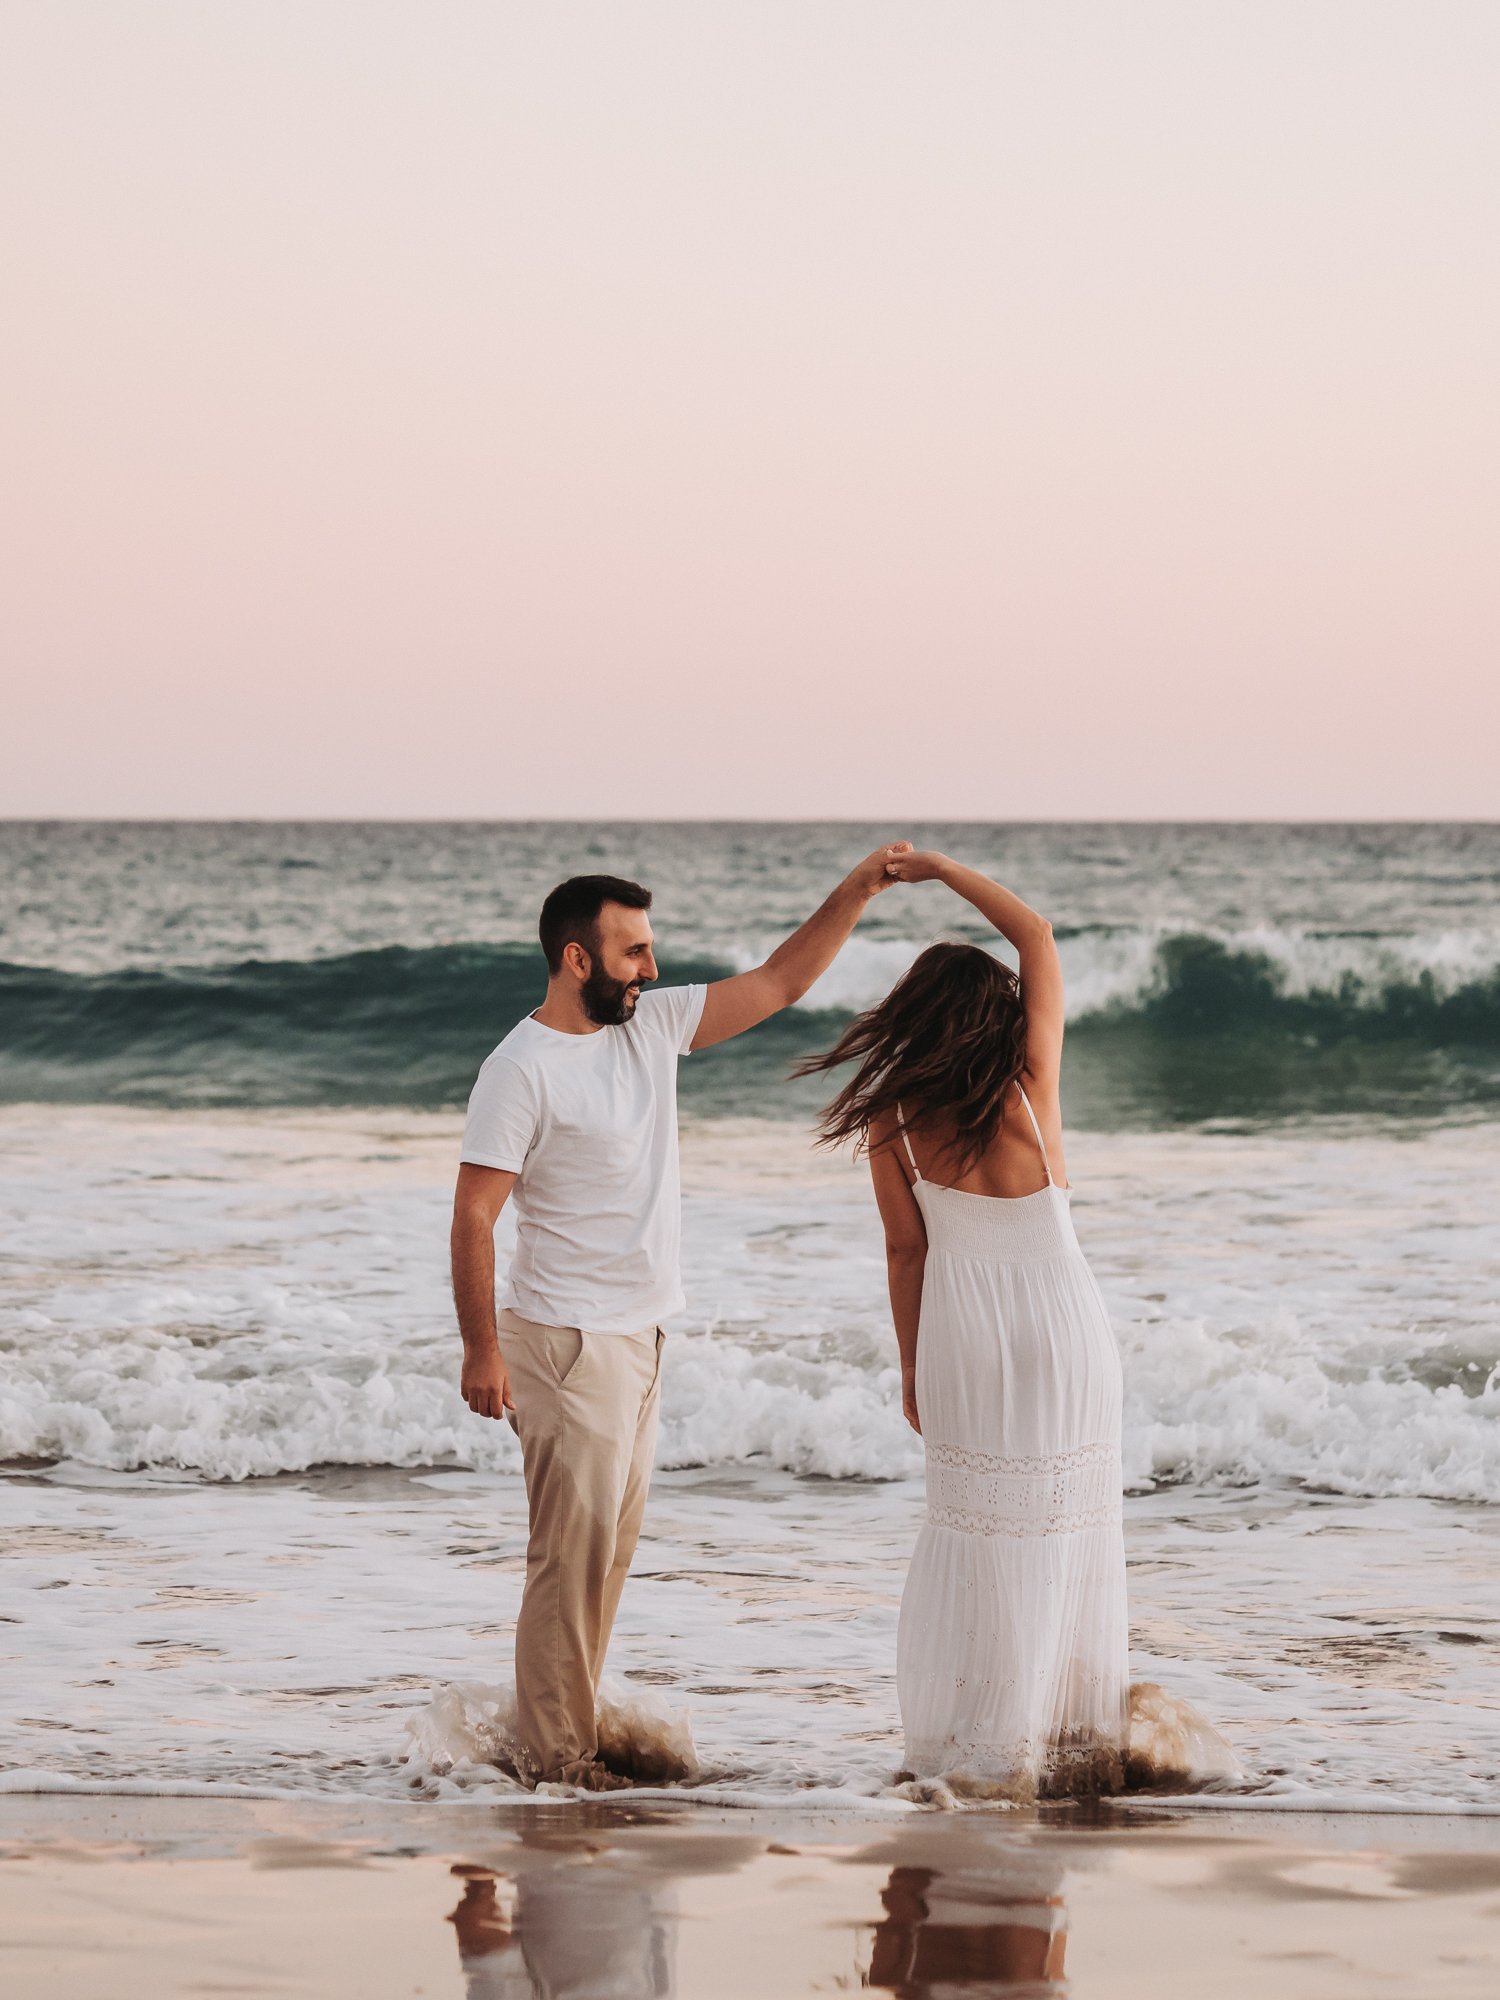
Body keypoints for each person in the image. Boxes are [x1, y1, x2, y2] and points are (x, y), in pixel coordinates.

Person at [451, 846, 910, 1789]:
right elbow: (473, 1216)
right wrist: (480, 1350)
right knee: (566, 1566)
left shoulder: (649, 1027)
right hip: (566, 1342)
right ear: (578, 960)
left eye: (650, 952)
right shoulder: (520, 1069)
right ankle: (554, 1763)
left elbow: (780, 982)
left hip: (642, 1338)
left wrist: (858, 890)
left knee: (607, 1561)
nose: (650, 968)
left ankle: (560, 1740)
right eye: (633, 954)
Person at [797, 850, 1129, 1799]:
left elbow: (907, 1256)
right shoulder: (1032, 1084)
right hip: (1068, 1330)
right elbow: (1036, 934)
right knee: (1067, 1533)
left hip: (965, 1337)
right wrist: (939, 869)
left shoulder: (892, 1121)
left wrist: (912, 1369)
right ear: (995, 1013)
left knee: (979, 1536)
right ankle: (1066, 1753)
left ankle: (976, 1755)